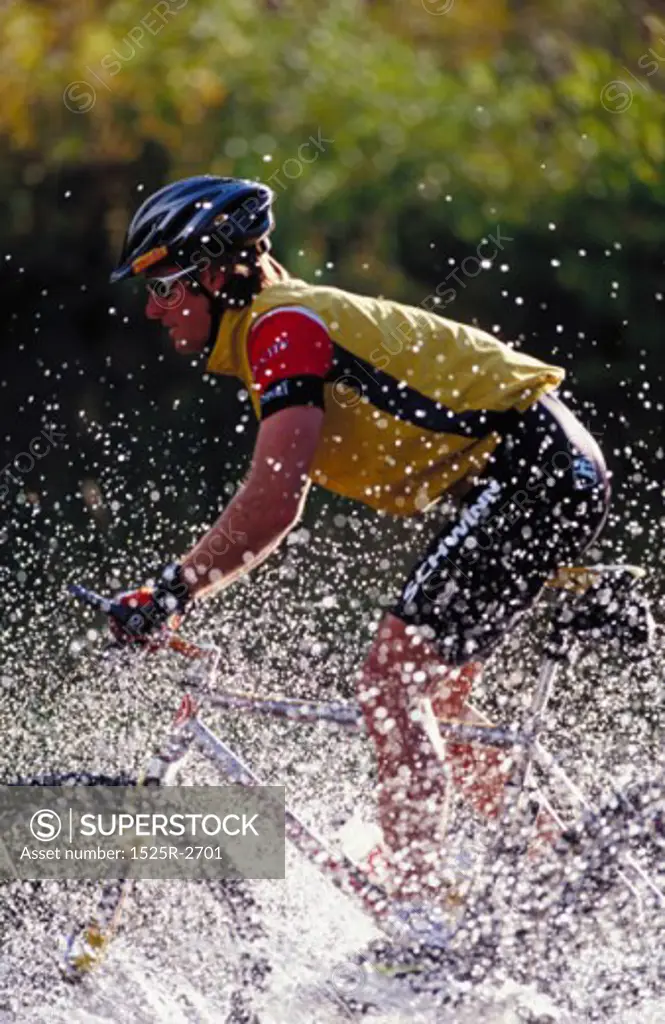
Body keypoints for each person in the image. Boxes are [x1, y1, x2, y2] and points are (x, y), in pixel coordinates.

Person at [106, 175, 611, 923]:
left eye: (164, 283)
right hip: (523, 470)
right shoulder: (269, 334)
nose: (152, 306)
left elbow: (275, 502)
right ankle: (559, 877)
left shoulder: (282, 331)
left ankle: (415, 910)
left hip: (530, 468)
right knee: (435, 700)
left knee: (388, 678)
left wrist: (170, 590)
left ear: (214, 273)